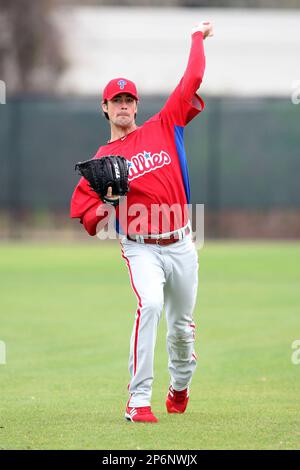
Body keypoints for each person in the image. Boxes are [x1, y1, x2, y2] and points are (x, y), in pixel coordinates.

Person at [70, 20, 213, 423]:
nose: (123, 105)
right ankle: (138, 401)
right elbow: (86, 215)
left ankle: (179, 386)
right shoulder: (101, 160)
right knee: (149, 305)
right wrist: (107, 206)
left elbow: (194, 77)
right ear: (104, 108)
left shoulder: (164, 125)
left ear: (137, 104)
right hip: (140, 245)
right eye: (116, 100)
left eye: (129, 99)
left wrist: (196, 37)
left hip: (182, 243)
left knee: (182, 330)